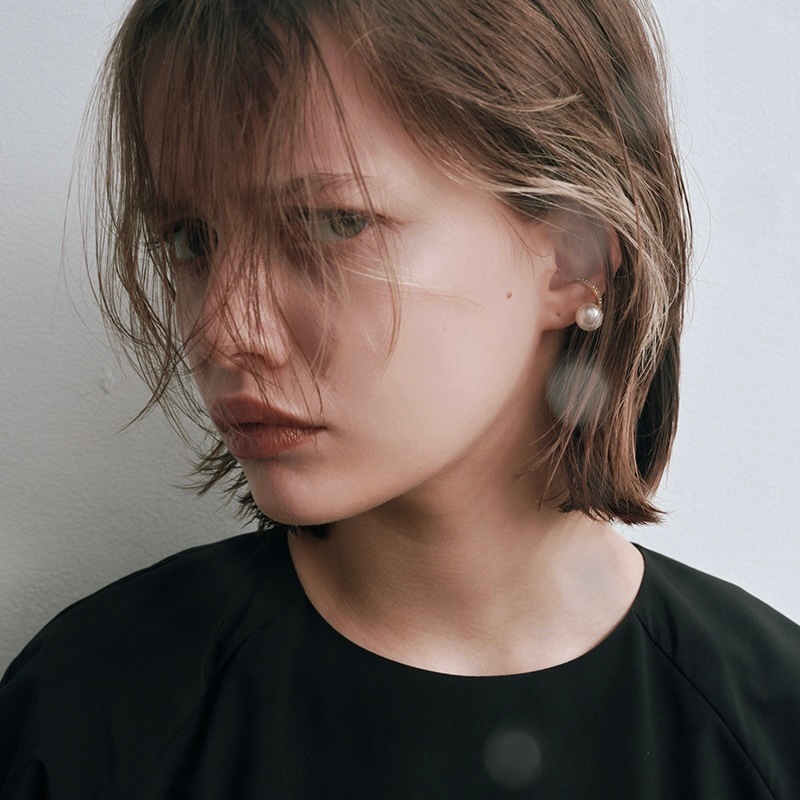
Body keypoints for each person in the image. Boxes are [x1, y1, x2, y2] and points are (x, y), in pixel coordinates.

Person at [1, 0, 798, 797]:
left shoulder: (770, 734)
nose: (223, 330)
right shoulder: (90, 718)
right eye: (189, 239)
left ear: (573, 257)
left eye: (334, 224)